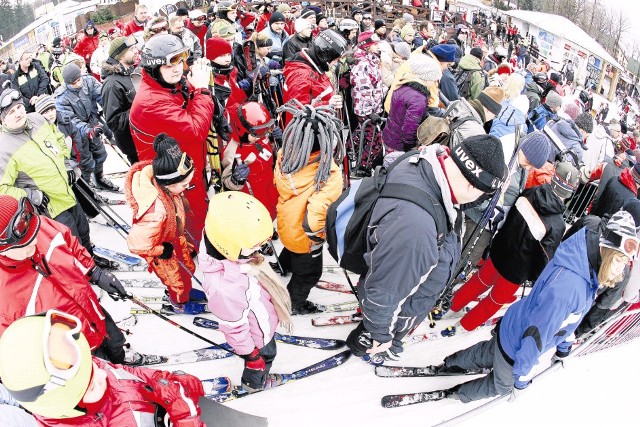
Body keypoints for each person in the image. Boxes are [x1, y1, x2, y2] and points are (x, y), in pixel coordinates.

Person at [436, 210, 638, 402]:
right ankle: (459, 395)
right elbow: (535, 336)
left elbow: (565, 320)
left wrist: (564, 349)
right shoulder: (572, 287)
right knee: (500, 386)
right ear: (606, 250)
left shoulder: (583, 259)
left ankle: (450, 363)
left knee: (487, 352)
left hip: (514, 324)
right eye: (620, 260)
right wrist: (521, 381)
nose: (621, 272)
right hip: (518, 345)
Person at [345, 134, 507, 361]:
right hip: (405, 303)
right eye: (484, 195)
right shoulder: (417, 228)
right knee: (386, 325)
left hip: (406, 274)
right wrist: (381, 335)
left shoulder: (428, 162)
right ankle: (378, 345)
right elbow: (383, 295)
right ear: (472, 186)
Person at [0, 195, 157, 365]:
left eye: (34, 235)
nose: (36, 241)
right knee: (103, 369)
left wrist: (94, 271)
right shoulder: (4, 295)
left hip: (90, 309)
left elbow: (70, 244)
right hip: (73, 346)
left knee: (114, 339)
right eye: (26, 244)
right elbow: (12, 351)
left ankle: (120, 354)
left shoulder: (39, 226)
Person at [0, 310, 206, 425]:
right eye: (90, 386)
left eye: (94, 363)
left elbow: (127, 374)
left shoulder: (86, 372)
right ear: (70, 408)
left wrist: (167, 384)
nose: (102, 374)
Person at [451, 161, 580, 332]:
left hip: (500, 251)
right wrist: (533, 276)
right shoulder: (558, 224)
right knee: (495, 300)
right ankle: (466, 325)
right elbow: (544, 258)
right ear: (570, 191)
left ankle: (452, 306)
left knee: (479, 281)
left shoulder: (530, 192)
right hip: (517, 271)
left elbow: (510, 219)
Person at [200, 191, 291, 392]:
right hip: (256, 335)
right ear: (230, 245)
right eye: (255, 246)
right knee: (267, 356)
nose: (261, 249)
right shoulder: (225, 288)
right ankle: (254, 383)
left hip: (259, 315)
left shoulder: (220, 240)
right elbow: (234, 328)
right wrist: (251, 356)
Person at [129, 35, 214, 245]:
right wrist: (203, 89)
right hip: (174, 177)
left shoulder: (167, 85)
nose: (177, 68)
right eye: (169, 65)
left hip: (187, 162)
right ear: (154, 69)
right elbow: (195, 129)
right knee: (190, 220)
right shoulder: (151, 101)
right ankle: (197, 249)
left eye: (180, 60)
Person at [274, 101, 344, 315]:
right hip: (306, 237)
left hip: (286, 223)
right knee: (309, 274)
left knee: (291, 247)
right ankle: (294, 301)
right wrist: (320, 240)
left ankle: (283, 265)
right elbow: (315, 220)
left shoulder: (285, 158)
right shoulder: (329, 175)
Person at [125, 134, 206, 314]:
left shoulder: (169, 189)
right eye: (184, 184)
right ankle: (180, 303)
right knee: (175, 281)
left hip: (176, 241)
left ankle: (186, 290)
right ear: (169, 183)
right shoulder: (155, 211)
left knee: (185, 272)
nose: (187, 186)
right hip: (165, 254)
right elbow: (137, 244)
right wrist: (162, 250)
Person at [56, 63, 119, 192]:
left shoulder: (88, 81)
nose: (78, 84)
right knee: (85, 161)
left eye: (79, 80)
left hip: (92, 122)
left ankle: (99, 178)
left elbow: (102, 96)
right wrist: (87, 131)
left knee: (100, 153)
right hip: (77, 133)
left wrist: (111, 109)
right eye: (74, 83)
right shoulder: (62, 97)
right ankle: (87, 185)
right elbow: (71, 120)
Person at [221, 102, 278, 220]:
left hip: (269, 186)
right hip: (253, 196)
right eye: (257, 134)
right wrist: (236, 179)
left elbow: (270, 155)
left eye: (264, 132)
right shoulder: (232, 150)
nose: (260, 136)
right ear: (242, 130)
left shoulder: (261, 135)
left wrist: (278, 142)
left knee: (272, 212)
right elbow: (226, 182)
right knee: (259, 218)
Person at [382, 54, 442, 161]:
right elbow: (409, 129)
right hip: (399, 146)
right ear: (426, 77)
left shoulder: (403, 84)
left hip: (390, 136)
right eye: (434, 79)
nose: (434, 82)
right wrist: (411, 149)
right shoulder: (418, 98)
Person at [283, 29, 347, 117]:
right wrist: (328, 104)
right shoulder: (301, 74)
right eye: (335, 60)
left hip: (321, 123)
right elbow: (298, 110)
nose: (336, 63)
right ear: (325, 55)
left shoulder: (315, 67)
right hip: (309, 128)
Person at [350, 31, 385, 176]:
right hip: (366, 110)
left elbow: (376, 84)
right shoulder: (363, 64)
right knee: (375, 141)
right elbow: (363, 89)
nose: (378, 46)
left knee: (362, 134)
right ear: (367, 46)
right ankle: (363, 167)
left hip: (373, 106)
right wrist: (370, 111)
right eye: (375, 44)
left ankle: (350, 152)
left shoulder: (372, 60)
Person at [100, 36, 139, 165]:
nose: (136, 51)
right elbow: (113, 122)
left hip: (143, 137)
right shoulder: (111, 84)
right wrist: (140, 109)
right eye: (131, 49)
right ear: (120, 55)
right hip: (134, 145)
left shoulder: (131, 72)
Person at [10, 49, 50, 113]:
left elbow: (45, 79)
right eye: (26, 59)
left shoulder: (36, 66)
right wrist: (30, 101)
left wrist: (38, 96)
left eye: (29, 57)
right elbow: (17, 94)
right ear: (20, 62)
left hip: (43, 100)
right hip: (31, 109)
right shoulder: (15, 78)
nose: (29, 60)